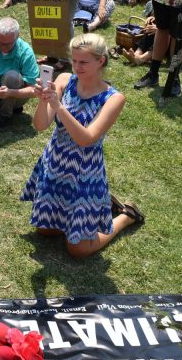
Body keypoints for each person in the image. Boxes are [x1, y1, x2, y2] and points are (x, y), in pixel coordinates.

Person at [22, 33, 142, 258]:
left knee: (77, 250)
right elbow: (40, 125)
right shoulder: (64, 80)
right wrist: (42, 101)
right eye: (74, 61)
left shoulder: (113, 98)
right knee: (45, 231)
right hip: (56, 164)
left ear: (101, 61)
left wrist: (59, 107)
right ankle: (94, 210)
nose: (77, 67)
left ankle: (126, 216)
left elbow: (86, 139)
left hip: (84, 172)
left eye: (84, 62)